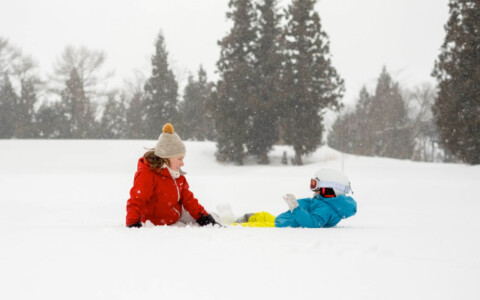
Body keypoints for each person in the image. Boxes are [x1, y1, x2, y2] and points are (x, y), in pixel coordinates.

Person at [125, 123, 216, 228]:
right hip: (157, 223)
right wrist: (132, 223)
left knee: (210, 216)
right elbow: (136, 200)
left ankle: (226, 219)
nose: (182, 164)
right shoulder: (148, 174)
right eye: (179, 159)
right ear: (166, 157)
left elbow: (189, 201)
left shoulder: (178, 176)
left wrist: (204, 217)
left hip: (176, 215)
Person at [236, 168, 357, 228]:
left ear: (329, 190)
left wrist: (295, 207)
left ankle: (231, 227)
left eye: (315, 186)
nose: (313, 190)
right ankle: (238, 219)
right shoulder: (323, 203)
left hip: (283, 225)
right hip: (282, 220)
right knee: (261, 215)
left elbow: (313, 223)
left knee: (258, 226)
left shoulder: (325, 209)